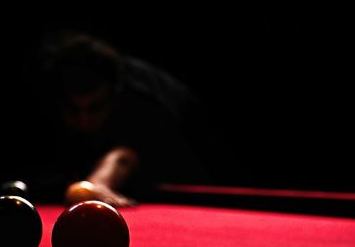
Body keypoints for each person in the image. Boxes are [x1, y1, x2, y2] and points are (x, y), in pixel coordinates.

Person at [24, 31, 223, 206]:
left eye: (95, 108)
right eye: (72, 109)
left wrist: (97, 184)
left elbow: (123, 156)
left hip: (193, 160)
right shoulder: (42, 100)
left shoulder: (144, 103)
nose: (84, 120)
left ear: (113, 96)